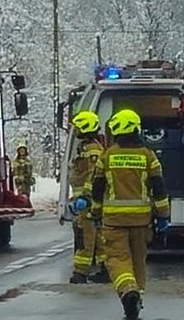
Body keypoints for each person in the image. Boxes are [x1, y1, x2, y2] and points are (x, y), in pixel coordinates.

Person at [90, 109, 170, 320]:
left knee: (117, 260)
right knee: (138, 262)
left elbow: (97, 188)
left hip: (114, 221)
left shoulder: (107, 156)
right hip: (142, 221)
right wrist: (163, 215)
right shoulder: (148, 155)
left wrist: (95, 211)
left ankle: (128, 291)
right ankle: (136, 298)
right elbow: (159, 188)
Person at [67, 110, 108, 284]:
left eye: (77, 127)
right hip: (87, 200)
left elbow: (93, 175)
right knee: (98, 235)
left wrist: (85, 196)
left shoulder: (92, 150)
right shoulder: (87, 147)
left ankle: (80, 273)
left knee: (85, 236)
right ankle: (105, 268)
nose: (75, 131)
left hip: (88, 201)